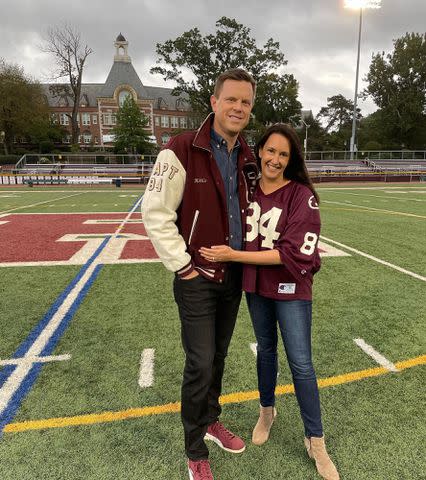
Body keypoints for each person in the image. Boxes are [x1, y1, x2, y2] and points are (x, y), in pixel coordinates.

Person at [200, 124, 340, 480]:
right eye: (271, 151)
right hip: (256, 287)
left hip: (291, 289)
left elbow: (291, 255)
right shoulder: (247, 192)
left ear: (290, 160)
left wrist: (233, 254)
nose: (275, 159)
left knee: (301, 364)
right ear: (259, 151)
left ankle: (316, 440)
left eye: (283, 154)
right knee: (265, 349)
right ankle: (267, 410)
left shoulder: (301, 194)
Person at [142, 68, 258, 480]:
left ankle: (210, 420)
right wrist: (184, 266)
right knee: (200, 363)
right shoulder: (179, 148)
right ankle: (194, 450)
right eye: (231, 99)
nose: (238, 107)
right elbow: (155, 215)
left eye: (245, 101)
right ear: (214, 102)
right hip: (196, 278)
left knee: (220, 357)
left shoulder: (249, 155)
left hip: (233, 277)